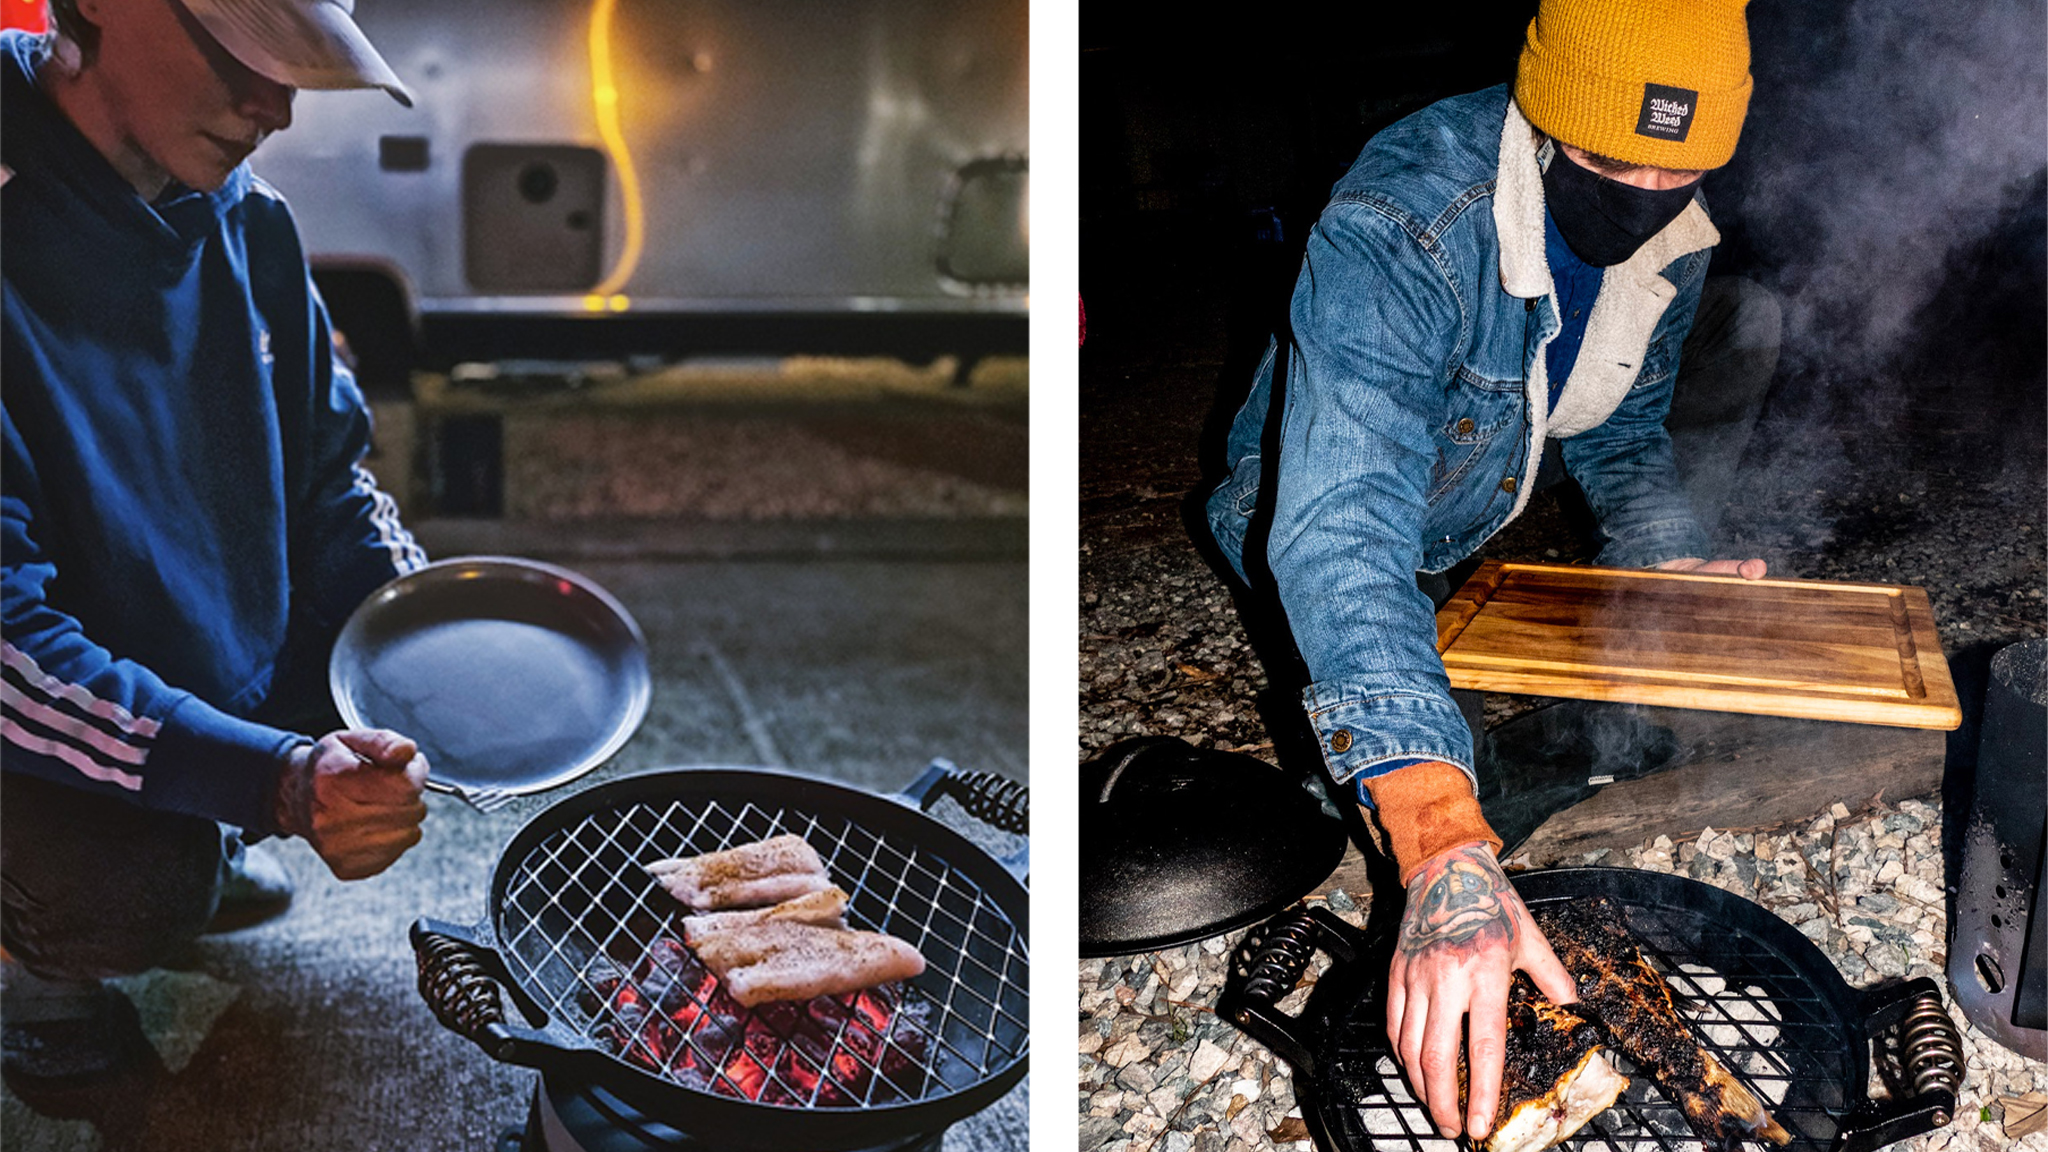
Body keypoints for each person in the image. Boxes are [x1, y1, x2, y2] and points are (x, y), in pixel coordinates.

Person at [1204, 0, 1773, 1142]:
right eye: (1612, 157)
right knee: (1376, 789)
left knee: (1762, 319)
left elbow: (1619, 431)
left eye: (1683, 168)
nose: (1647, 197)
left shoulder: (1672, 230)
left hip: (1450, 523)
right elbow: (1339, 521)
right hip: (1308, 510)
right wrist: (1431, 831)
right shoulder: (1402, 215)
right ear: (1547, 105)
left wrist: (1662, 559)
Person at [1, 0, 431, 1082]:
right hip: (23, 698)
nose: (275, 107)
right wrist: (275, 784)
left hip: (148, 646)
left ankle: (195, 823)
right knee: (129, 888)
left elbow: (330, 479)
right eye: (240, 50)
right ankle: (32, 957)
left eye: (295, 65)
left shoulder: (245, 217)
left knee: (384, 664)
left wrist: (421, 633)